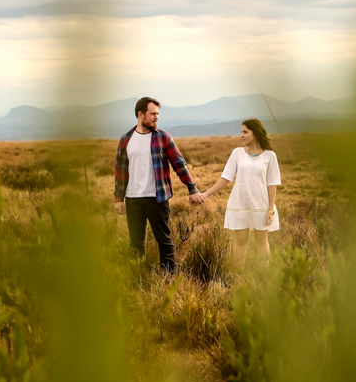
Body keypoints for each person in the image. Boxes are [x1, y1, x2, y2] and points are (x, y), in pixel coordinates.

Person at [113, 97, 204, 273]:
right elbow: (120, 171)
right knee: (136, 243)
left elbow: (179, 164)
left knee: (164, 241)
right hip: (133, 199)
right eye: (153, 114)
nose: (156, 117)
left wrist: (192, 188)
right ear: (140, 115)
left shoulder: (163, 137)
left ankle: (169, 278)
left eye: (157, 114)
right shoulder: (126, 139)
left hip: (157, 198)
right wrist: (119, 198)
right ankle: (138, 276)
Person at [200, 118, 281, 265]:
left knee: (262, 242)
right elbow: (225, 178)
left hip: (261, 205)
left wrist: (270, 210)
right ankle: (237, 276)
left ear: (255, 134)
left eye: (245, 132)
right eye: (241, 132)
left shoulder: (270, 156)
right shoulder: (237, 153)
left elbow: (272, 184)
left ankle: (264, 278)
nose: (241, 135)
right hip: (240, 203)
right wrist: (205, 194)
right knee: (240, 241)